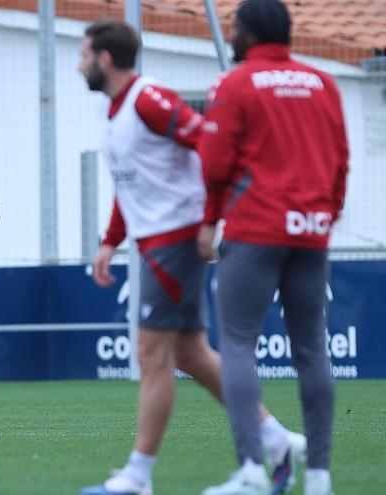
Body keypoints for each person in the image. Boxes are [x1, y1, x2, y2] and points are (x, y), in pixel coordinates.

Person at [76, 20, 305, 495]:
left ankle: (138, 476)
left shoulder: (148, 98)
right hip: (157, 242)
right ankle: (277, 438)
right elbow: (129, 180)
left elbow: (210, 143)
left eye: (83, 55)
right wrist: (109, 239)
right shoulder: (113, 109)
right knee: (190, 353)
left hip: (174, 241)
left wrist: (208, 218)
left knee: (150, 353)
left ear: (103, 59)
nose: (79, 63)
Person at [198, 1, 348, 494]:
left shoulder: (233, 84)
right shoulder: (323, 83)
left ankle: (251, 472)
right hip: (311, 230)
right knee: (311, 346)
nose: (231, 34)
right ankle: (321, 477)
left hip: (255, 229)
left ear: (248, 32)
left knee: (239, 344)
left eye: (234, 27)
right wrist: (327, 213)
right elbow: (340, 159)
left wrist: (209, 221)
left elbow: (215, 166)